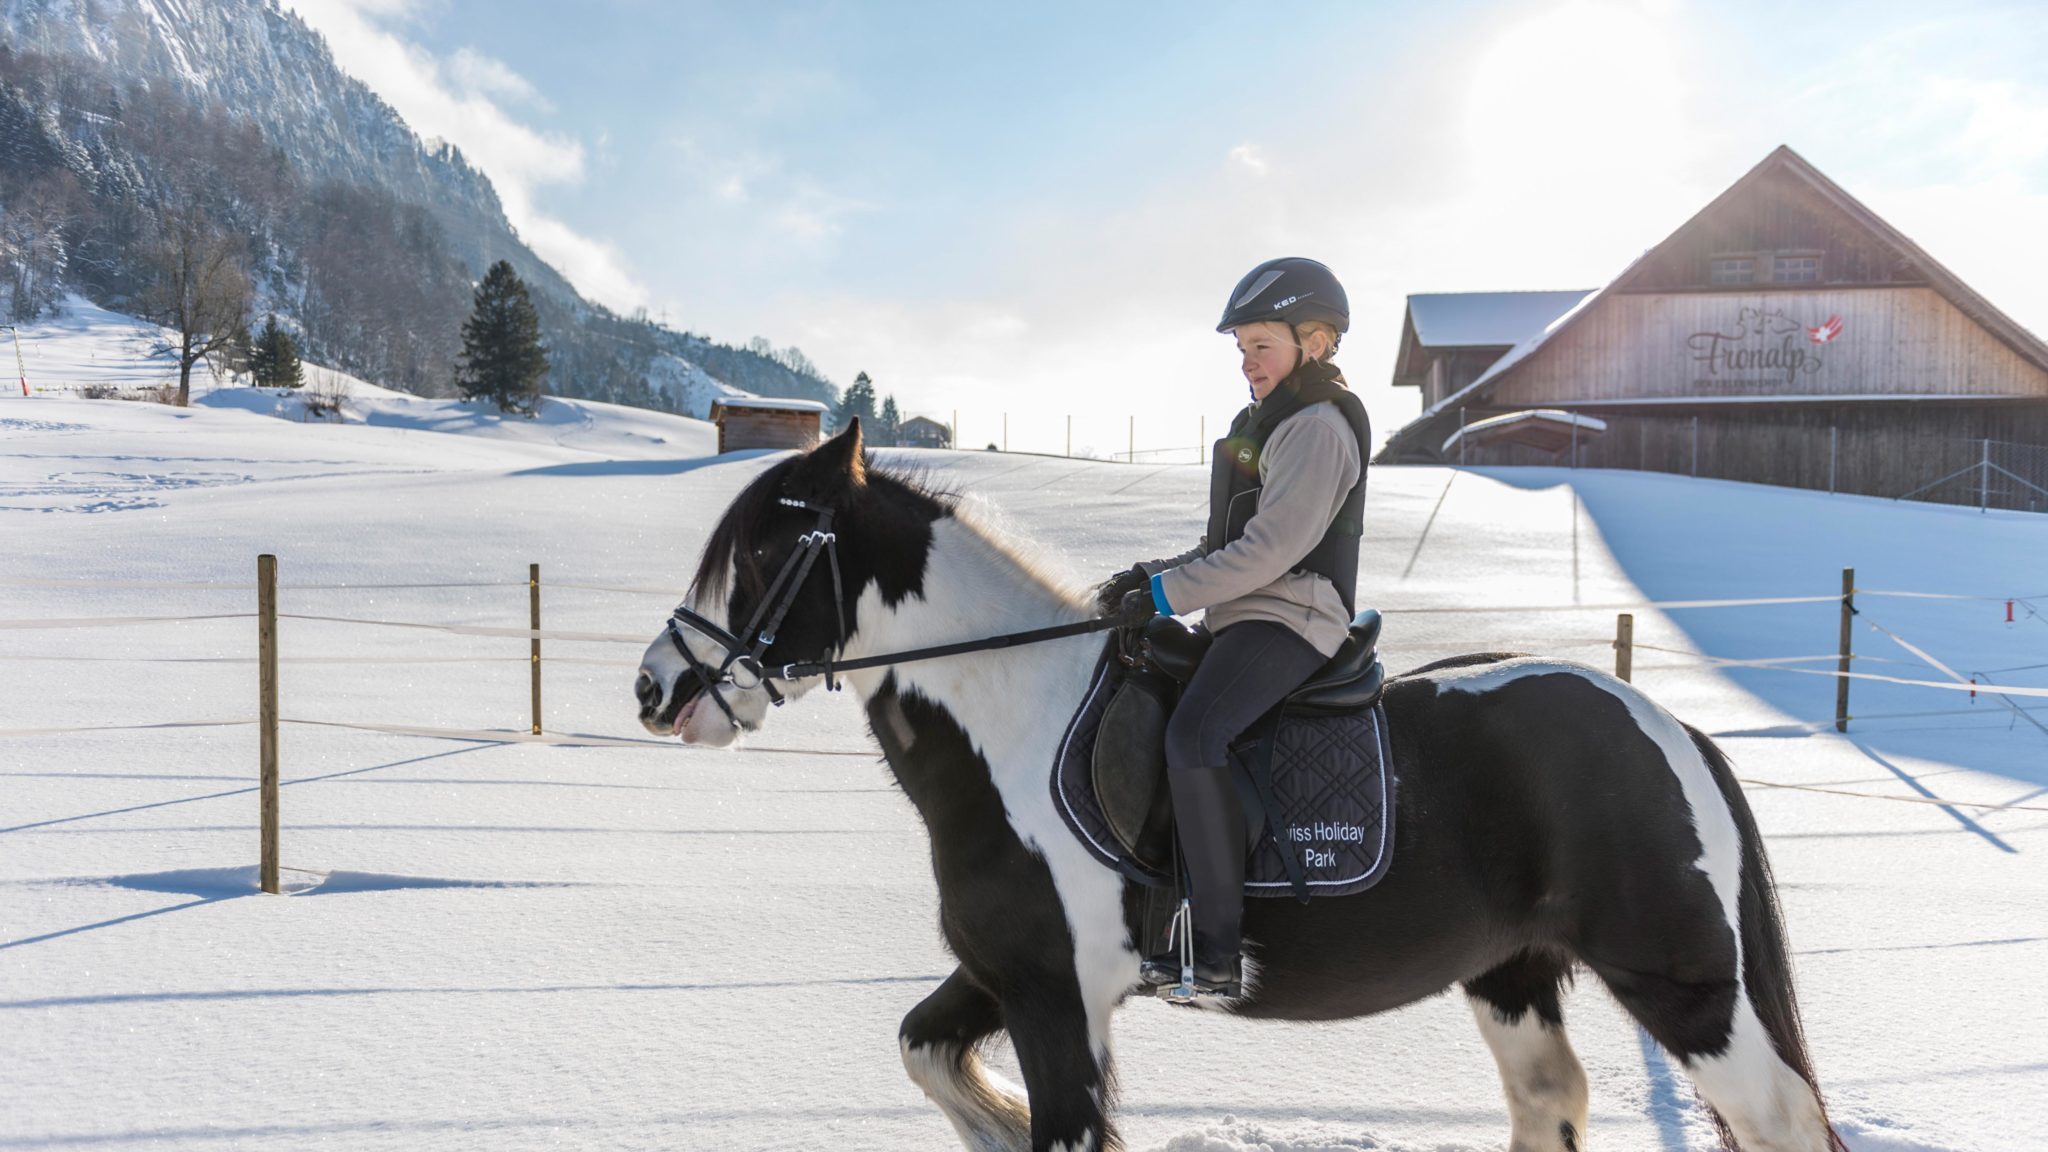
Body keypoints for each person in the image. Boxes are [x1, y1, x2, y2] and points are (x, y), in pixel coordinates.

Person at [1102, 256, 1371, 998]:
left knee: (1196, 734)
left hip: (1293, 617)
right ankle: (1155, 922)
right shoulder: (1264, 426)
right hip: (1245, 611)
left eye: (1263, 345)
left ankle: (1216, 952)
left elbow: (1272, 552)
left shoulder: (1316, 428)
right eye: (1242, 349)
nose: (1248, 364)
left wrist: (1166, 595)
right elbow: (1223, 548)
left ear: (1314, 343)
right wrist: (1145, 578)